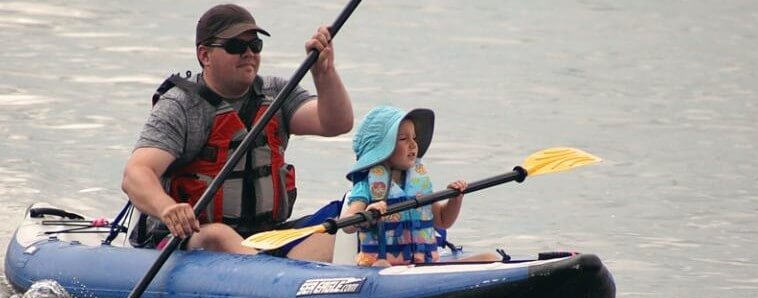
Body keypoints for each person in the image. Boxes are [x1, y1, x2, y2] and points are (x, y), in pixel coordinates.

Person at [121, 4, 353, 262]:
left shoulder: (276, 93)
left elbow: (335, 123)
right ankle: (270, 277)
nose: (248, 53)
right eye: (235, 46)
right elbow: (136, 174)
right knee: (220, 236)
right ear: (205, 55)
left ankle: (303, 282)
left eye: (255, 45)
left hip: (264, 237)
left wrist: (324, 73)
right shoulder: (181, 106)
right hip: (188, 238)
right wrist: (167, 209)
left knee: (343, 222)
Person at [340, 105, 499, 267]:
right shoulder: (366, 185)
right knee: (383, 266)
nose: (413, 144)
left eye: (414, 138)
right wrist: (367, 214)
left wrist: (455, 198)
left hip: (424, 265)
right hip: (382, 268)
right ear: (381, 149)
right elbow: (346, 224)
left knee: (490, 258)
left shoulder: (418, 183)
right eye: (403, 139)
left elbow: (443, 220)